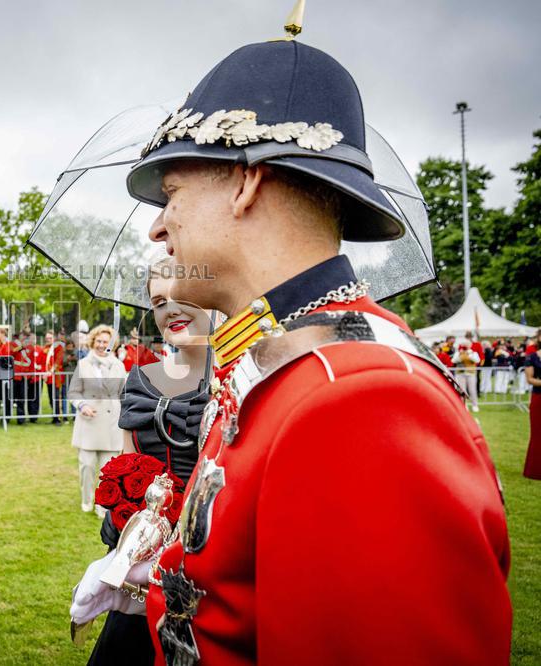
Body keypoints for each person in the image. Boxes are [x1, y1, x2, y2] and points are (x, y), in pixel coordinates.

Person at [124, 37, 509, 664]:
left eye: (172, 192)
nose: (157, 225)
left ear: (247, 182)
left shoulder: (361, 400)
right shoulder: (295, 357)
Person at [84, 262, 216, 666]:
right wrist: (126, 526)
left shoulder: (234, 377)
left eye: (183, 296)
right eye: (159, 301)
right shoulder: (139, 378)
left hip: (205, 558)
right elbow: (127, 464)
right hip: (137, 556)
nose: (171, 309)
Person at [67, 324, 127, 516]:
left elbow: (123, 393)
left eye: (106, 342)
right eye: (99, 341)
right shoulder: (83, 364)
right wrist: (82, 405)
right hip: (88, 424)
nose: (102, 345)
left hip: (111, 424)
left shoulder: (119, 365)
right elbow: (73, 392)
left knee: (107, 471)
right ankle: (86, 500)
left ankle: (103, 505)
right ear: (93, 342)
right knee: (86, 466)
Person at [524, 332, 541, 480]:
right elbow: (530, 379)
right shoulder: (532, 357)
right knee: (537, 433)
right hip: (538, 398)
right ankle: (535, 470)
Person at [44, 330, 66, 425]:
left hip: (56, 377)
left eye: (50, 338)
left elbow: (58, 360)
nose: (48, 340)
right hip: (48, 377)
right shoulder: (46, 348)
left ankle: (58, 418)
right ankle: (54, 417)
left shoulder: (58, 347)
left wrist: (51, 371)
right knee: (50, 398)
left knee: (56, 398)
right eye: (47, 338)